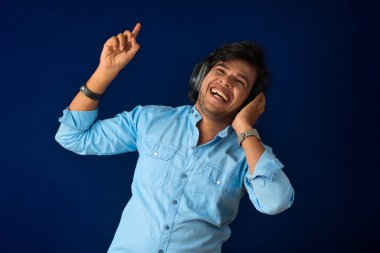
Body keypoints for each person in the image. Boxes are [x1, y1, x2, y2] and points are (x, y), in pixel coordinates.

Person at [55, 22, 294, 253]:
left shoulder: (250, 154)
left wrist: (244, 127)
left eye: (239, 82)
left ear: (250, 101)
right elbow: (72, 136)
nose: (226, 81)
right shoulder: (150, 120)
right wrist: (105, 71)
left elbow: (276, 202)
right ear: (201, 75)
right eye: (220, 70)